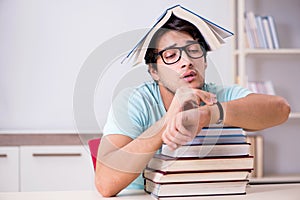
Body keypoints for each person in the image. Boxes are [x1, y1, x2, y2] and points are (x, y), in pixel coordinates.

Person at [94, 12, 290, 197]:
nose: (186, 61)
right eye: (171, 56)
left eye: (194, 50)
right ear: (154, 71)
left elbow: (281, 109)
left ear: (204, 61)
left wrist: (209, 114)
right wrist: (167, 121)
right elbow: (105, 183)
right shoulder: (134, 101)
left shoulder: (221, 95)